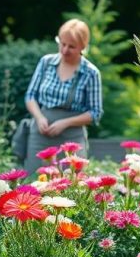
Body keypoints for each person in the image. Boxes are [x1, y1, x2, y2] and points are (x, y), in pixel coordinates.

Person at [22, 19, 103, 174]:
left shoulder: (91, 73)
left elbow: (95, 113)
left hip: (72, 141)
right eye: (62, 43)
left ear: (83, 47)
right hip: (40, 136)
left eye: (71, 46)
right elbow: (30, 95)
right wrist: (39, 118)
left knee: (72, 185)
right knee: (33, 182)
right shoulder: (46, 62)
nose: (65, 50)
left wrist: (65, 123)